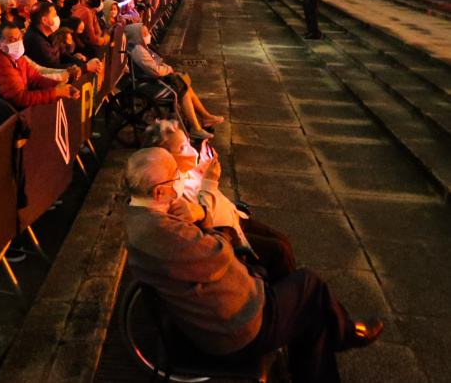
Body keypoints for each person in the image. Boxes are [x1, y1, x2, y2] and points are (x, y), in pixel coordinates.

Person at [119, 148, 383, 383]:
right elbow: (223, 250)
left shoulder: (142, 217)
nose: (179, 180)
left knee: (313, 322)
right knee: (310, 284)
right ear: (159, 192)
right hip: (236, 330)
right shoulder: (167, 234)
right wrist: (204, 220)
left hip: (226, 311)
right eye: (174, 177)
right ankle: (347, 332)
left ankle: (338, 337)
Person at [141, 120, 296, 282]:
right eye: (182, 148)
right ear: (165, 158)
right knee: (280, 251)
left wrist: (203, 165)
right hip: (229, 235)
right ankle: (286, 296)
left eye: (187, 143)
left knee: (283, 240)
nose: (190, 150)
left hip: (236, 217)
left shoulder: (185, 170)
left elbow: (200, 187)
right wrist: (209, 181)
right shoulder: (172, 191)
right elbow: (204, 221)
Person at [126, 23, 222, 140]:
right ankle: (196, 128)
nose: (148, 35)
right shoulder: (138, 51)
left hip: (155, 81)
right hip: (147, 84)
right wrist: (168, 69)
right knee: (183, 92)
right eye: (145, 33)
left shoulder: (142, 47)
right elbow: (154, 70)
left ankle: (206, 117)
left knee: (186, 88)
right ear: (137, 35)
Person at [0, 22, 79, 109]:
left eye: (19, 38)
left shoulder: (17, 57)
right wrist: (55, 92)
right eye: (12, 40)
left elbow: (36, 79)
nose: (18, 42)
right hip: (0, 114)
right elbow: (19, 98)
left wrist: (59, 85)